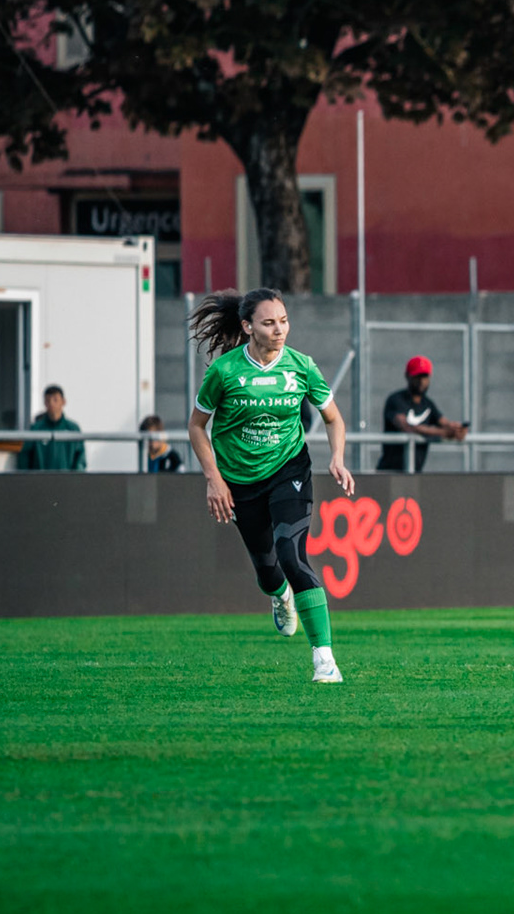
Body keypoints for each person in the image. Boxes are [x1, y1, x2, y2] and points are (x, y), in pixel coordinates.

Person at [186, 288, 355, 684]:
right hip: (240, 481)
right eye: (269, 323)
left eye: (283, 321)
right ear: (247, 327)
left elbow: (333, 418)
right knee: (268, 572)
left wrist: (337, 457)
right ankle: (280, 597)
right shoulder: (225, 372)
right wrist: (214, 480)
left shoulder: (301, 366)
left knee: (292, 556)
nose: (279, 330)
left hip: (288, 470)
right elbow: (196, 427)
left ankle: (325, 660)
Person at [377, 356, 468, 472]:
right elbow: (407, 427)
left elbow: (445, 423)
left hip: (416, 473)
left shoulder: (428, 404)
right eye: (417, 376)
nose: (421, 381)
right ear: (407, 376)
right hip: (389, 472)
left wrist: (457, 429)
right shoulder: (396, 400)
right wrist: (444, 433)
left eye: (424, 377)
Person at [15, 385, 85, 471]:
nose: (51, 403)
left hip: (67, 479)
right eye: (48, 400)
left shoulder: (73, 429)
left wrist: (76, 477)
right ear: (44, 403)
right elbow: (24, 459)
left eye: (55, 400)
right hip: (41, 479)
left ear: (63, 402)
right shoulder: (36, 429)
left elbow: (80, 460)